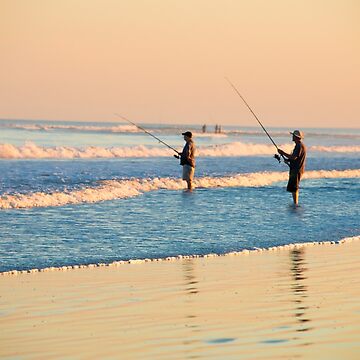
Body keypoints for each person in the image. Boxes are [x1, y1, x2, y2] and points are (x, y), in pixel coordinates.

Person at [277, 130, 307, 206]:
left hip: (297, 169)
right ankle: (295, 203)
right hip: (296, 168)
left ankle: (295, 204)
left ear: (296, 137)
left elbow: (294, 157)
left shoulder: (299, 146)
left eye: (293, 135)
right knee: (294, 187)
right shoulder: (299, 145)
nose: (292, 137)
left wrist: (283, 153)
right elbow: (294, 158)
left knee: (294, 187)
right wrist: (288, 160)